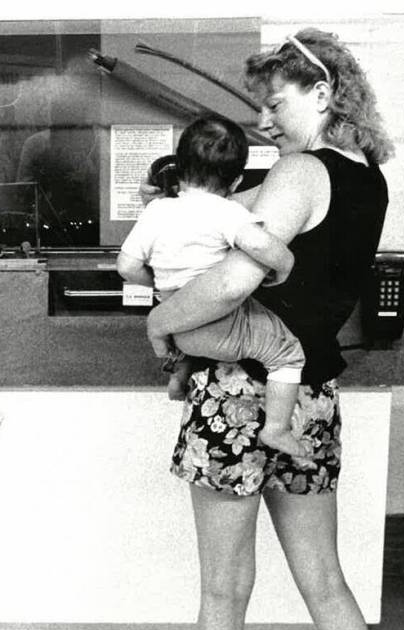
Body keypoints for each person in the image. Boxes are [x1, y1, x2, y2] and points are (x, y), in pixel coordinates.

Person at [143, 28, 392, 630]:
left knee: (223, 592)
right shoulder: (368, 179)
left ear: (323, 93)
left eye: (275, 104)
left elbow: (230, 284)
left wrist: (161, 321)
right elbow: (234, 207)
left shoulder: (299, 170)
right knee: (327, 584)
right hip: (309, 396)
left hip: (237, 391)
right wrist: (180, 200)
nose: (264, 120)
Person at [118, 115, 309, 458]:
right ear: (236, 181)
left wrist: (161, 287)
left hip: (178, 326)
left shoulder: (156, 211)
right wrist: (284, 266)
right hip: (221, 324)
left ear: (180, 167)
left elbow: (127, 267)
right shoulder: (226, 211)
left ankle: (178, 376)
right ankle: (277, 429)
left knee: (191, 342)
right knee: (287, 353)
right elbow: (262, 245)